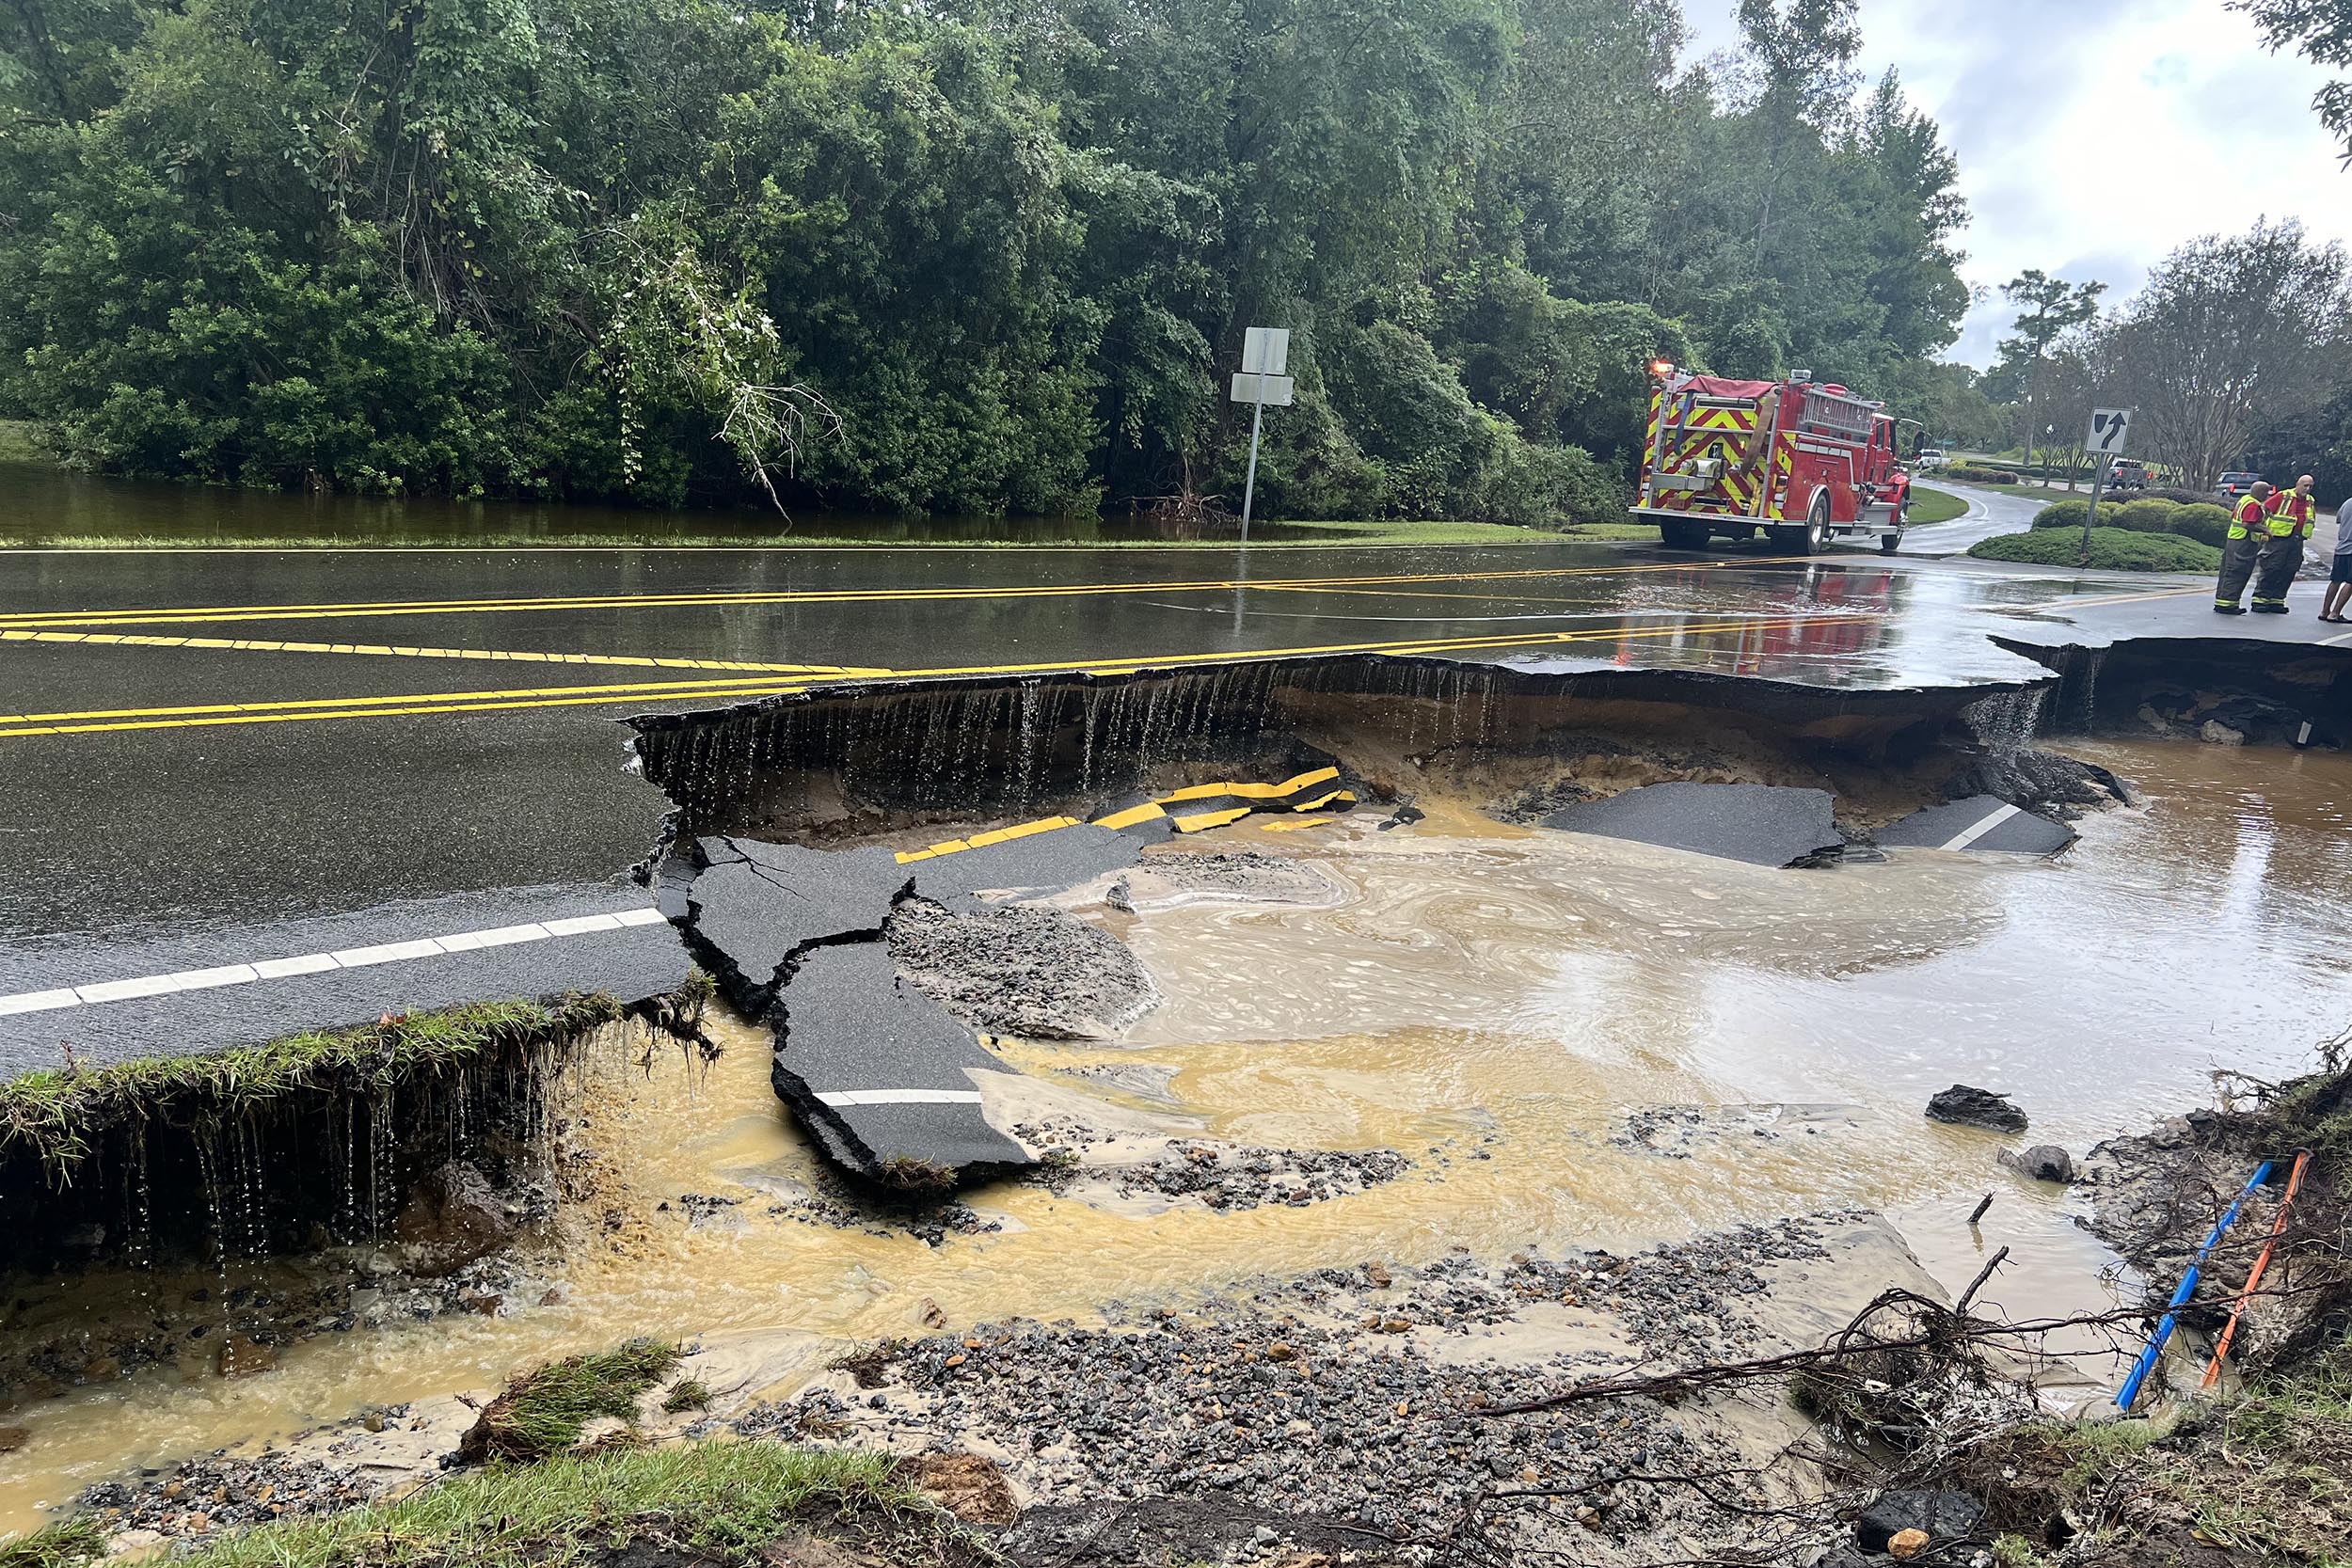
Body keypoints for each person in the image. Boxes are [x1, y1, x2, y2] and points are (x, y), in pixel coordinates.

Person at [2251, 474, 2318, 614]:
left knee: (2289, 570)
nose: (2308, 488)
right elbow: (2264, 510)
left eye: (2310, 486)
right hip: (2278, 539)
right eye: (2305, 485)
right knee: (2271, 567)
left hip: (2297, 540)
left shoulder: (2310, 500)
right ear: (2298, 484)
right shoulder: (2284, 496)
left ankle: (2277, 600)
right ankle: (2260, 599)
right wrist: (2264, 531)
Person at [2215, 481, 2274, 614]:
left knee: (2228, 571)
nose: (2267, 496)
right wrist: (2266, 530)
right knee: (2238, 571)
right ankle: (2228, 604)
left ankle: (2222, 601)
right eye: (2266, 493)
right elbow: (2247, 524)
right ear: (2260, 492)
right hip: (2243, 542)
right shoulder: (2253, 505)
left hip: (2234, 540)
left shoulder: (2245, 500)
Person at [2323, 487, 2352, 626]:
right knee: (2350, 583)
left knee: (2336, 580)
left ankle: (2325, 611)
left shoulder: (2347, 503)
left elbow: (2339, 519)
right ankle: (2335, 613)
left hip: (2341, 548)